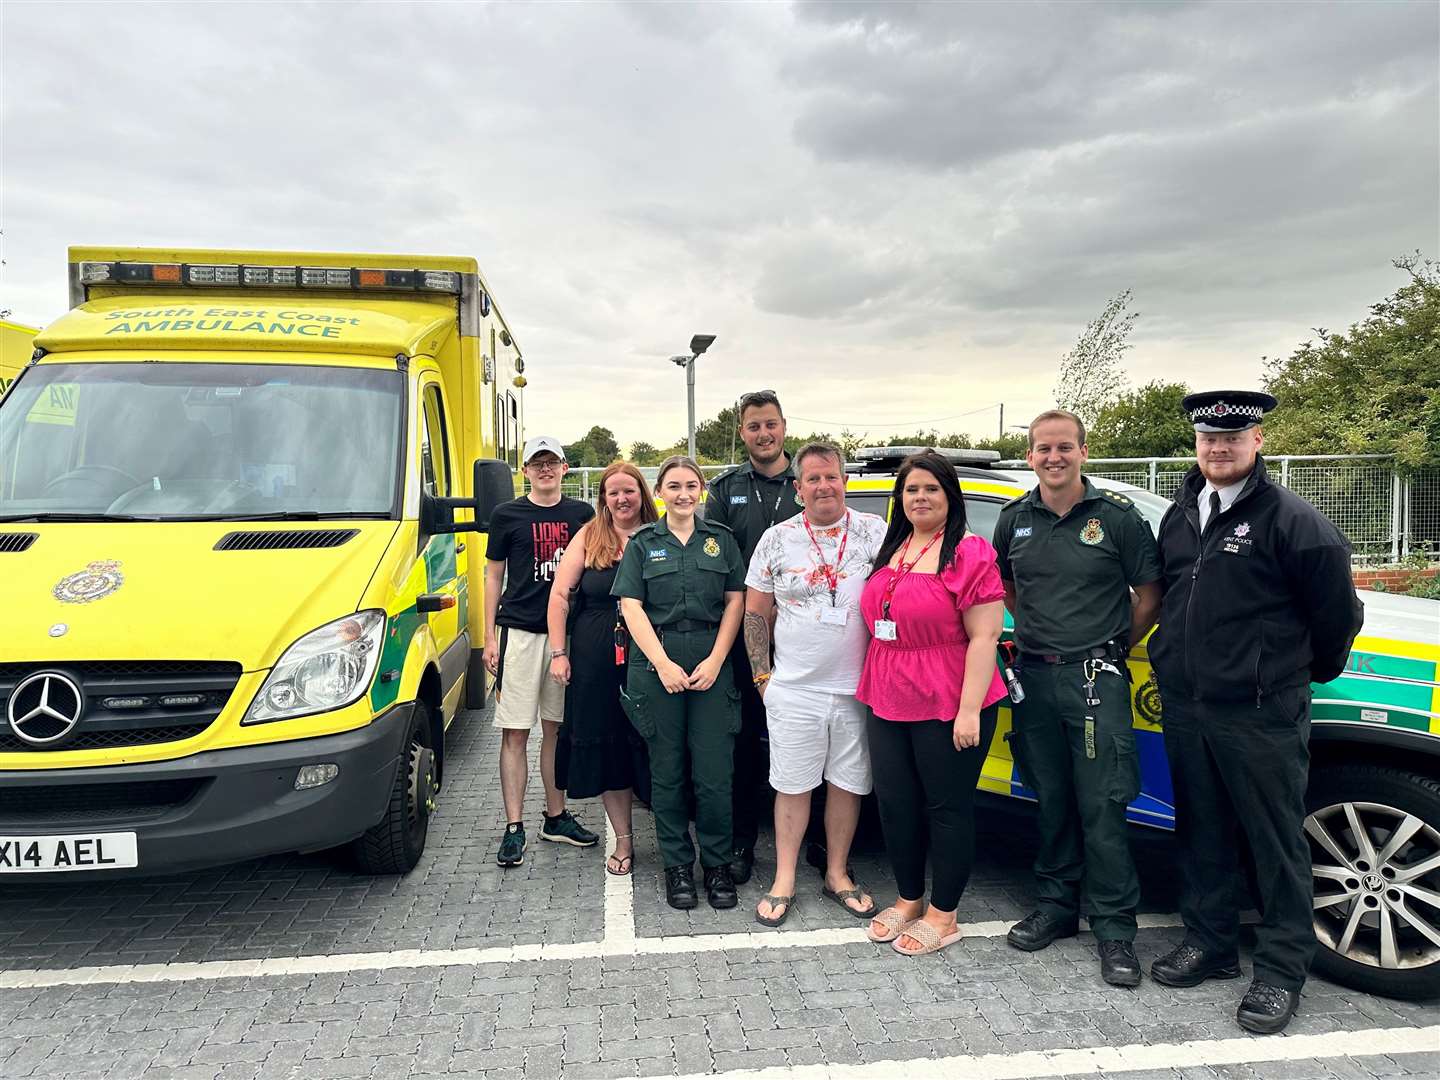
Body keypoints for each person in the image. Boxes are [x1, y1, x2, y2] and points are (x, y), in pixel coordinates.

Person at [1147, 390, 1363, 1034]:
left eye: (1232, 439)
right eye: (1209, 438)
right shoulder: (1182, 512)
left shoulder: (1294, 521)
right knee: (1203, 831)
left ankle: (1279, 971)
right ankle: (1210, 943)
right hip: (1189, 705)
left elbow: (1337, 618)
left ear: (1257, 442)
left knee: (1274, 843)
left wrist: (1287, 676)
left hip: (1261, 712)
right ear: (1196, 443)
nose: (1218, 448)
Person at [992, 409, 1162, 987]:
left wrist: (1113, 647)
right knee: (1052, 798)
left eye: (1064, 447)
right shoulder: (1014, 519)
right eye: (1042, 448)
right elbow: (1008, 588)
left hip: (1096, 678)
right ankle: (1057, 908)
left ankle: (1115, 931)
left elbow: (1149, 593)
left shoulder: (1116, 519)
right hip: (1034, 679)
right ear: (1030, 455)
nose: (1053, 457)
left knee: (1104, 805)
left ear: (1083, 452)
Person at [856, 451, 1007, 956]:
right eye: (911, 489)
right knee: (896, 805)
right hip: (889, 692)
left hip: (949, 697)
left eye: (931, 489)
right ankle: (909, 898)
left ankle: (944, 914)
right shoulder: (893, 545)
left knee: (947, 808)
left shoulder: (970, 552)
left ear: (950, 495)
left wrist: (968, 711)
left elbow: (984, 637)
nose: (920, 497)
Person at [743, 442, 889, 927]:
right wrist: (763, 677)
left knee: (848, 784)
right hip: (796, 688)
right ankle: (785, 877)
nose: (824, 486)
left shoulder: (875, 533)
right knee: (792, 784)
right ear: (798, 486)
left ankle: (837, 874)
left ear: (844, 480)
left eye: (832, 477)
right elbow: (756, 611)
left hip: (858, 689)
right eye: (813, 479)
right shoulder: (776, 539)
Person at [613, 455, 748, 910]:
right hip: (657, 664)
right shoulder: (642, 544)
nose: (683, 493)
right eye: (674, 486)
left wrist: (715, 659)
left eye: (692, 485)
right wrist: (664, 664)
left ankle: (716, 867)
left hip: (713, 660)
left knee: (714, 775)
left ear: (702, 490)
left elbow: (735, 603)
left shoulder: (722, 542)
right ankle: (677, 867)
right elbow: (631, 607)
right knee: (666, 773)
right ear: (660, 493)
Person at [483, 435, 598, 867]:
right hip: (520, 633)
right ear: (525, 469)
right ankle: (514, 826)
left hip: (566, 639)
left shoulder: (582, 514)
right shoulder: (507, 514)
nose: (545, 469)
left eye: (552, 462)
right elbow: (494, 577)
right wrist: (490, 636)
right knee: (515, 731)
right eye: (537, 463)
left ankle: (555, 815)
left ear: (565, 469)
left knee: (556, 730)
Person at [704, 389, 801, 884]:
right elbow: (716, 560)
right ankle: (742, 842)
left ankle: (819, 847)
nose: (764, 434)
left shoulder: (808, 481)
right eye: (753, 426)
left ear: (784, 425)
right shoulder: (725, 490)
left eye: (771, 424)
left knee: (808, 741)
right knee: (743, 744)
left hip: (807, 640)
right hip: (747, 636)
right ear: (742, 433)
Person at [546, 462, 659, 876]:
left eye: (629, 490)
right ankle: (624, 840)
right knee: (609, 747)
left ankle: (671, 838)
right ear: (603, 498)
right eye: (613, 492)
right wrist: (559, 653)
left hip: (650, 657)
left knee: (651, 745)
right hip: (596, 660)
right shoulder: (590, 535)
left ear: (641, 493)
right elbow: (560, 595)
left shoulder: (660, 534)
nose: (621, 499)